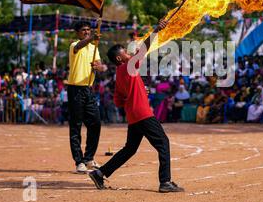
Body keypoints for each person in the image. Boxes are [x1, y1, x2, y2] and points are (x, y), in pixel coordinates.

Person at [88, 19, 184, 193]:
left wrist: (138, 92)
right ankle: (165, 182)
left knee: (130, 149)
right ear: (120, 58)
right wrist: (155, 30)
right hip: (143, 114)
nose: (128, 53)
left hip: (133, 116)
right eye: (125, 52)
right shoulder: (128, 66)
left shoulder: (120, 73)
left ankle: (100, 173)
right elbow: (143, 51)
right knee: (163, 143)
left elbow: (118, 101)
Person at [67, 21, 108, 174]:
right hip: (75, 89)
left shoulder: (94, 48)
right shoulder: (74, 45)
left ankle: (88, 158)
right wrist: (92, 38)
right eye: (83, 30)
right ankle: (79, 161)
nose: (86, 32)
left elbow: (101, 66)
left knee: (95, 123)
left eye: (88, 30)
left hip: (88, 90)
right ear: (78, 33)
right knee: (76, 126)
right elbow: (79, 46)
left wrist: (100, 67)